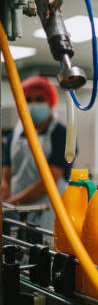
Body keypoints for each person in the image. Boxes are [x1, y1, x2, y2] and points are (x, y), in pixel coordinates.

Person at [1, 76, 75, 234]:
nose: (33, 104)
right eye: (28, 99)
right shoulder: (16, 133)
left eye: (39, 99)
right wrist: (5, 201)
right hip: (15, 213)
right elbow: (6, 173)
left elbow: (48, 181)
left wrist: (11, 203)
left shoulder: (62, 135)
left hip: (48, 213)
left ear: (50, 102)